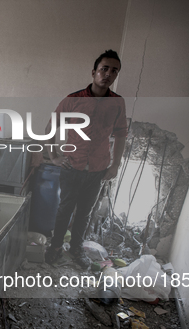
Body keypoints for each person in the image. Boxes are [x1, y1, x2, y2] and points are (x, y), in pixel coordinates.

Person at [45, 49, 128, 269]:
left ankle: (76, 248)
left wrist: (115, 165)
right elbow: (50, 127)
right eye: (104, 69)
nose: (108, 74)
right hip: (72, 165)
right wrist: (53, 156)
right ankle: (54, 246)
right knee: (65, 209)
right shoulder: (73, 100)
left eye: (114, 71)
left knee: (85, 212)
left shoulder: (118, 103)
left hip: (98, 168)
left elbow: (121, 134)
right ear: (94, 72)